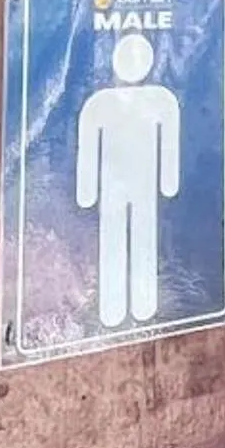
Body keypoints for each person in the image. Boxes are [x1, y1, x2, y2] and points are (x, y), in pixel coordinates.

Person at [75, 30, 181, 327]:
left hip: (141, 184)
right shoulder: (100, 104)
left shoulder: (161, 100)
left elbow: (169, 145)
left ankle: (144, 302)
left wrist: (168, 182)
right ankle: (113, 306)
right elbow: (88, 148)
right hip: (115, 185)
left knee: (142, 239)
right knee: (114, 239)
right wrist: (86, 191)